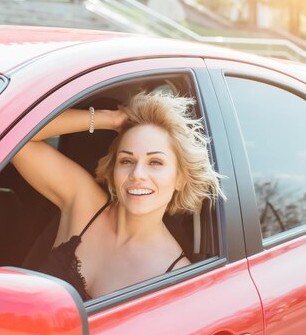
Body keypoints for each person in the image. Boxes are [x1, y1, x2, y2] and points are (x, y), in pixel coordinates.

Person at [12, 92, 223, 301]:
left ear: (180, 178)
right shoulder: (83, 202)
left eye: (155, 162)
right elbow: (13, 134)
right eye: (126, 161)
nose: (137, 175)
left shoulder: (176, 277)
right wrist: (111, 119)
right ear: (113, 169)